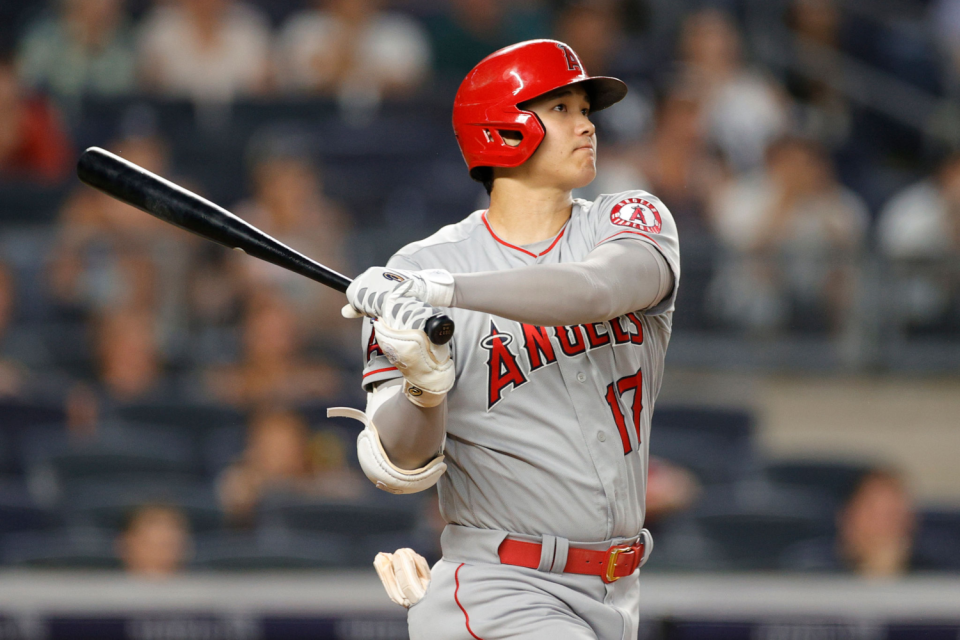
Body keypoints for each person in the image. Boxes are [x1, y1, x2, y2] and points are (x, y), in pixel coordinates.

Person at [333, 40, 680, 639]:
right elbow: (397, 465)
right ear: (503, 127)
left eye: (585, 110)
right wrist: (424, 387)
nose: (587, 124)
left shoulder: (626, 218)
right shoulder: (417, 266)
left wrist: (443, 291)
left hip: (618, 591)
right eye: (563, 109)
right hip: (500, 587)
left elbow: (597, 290)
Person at [218, 408, 366, 525]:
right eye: (271, 446)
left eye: (286, 445)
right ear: (254, 448)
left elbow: (353, 492)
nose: (280, 455)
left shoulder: (320, 476)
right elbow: (233, 499)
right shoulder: (241, 478)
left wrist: (301, 484)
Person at [116, 504, 192, 578]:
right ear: (125, 544)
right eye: (150, 546)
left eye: (169, 545)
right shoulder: (107, 586)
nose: (161, 555)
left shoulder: (199, 586)